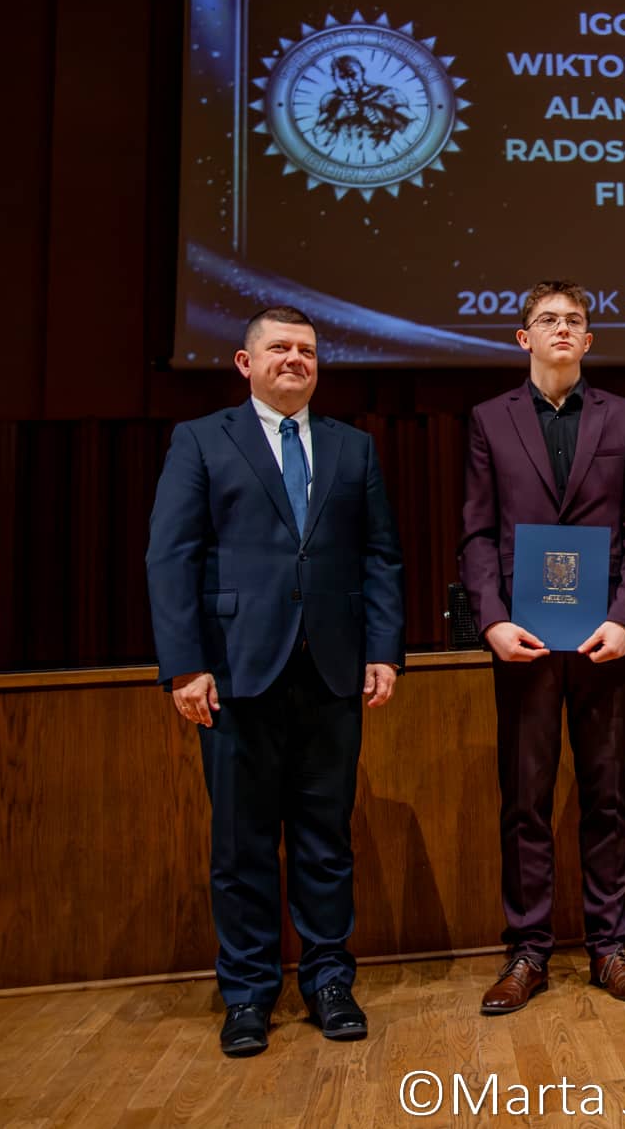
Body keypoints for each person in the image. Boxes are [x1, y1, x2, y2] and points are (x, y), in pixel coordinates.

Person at [146, 306, 405, 1057]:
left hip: (331, 671)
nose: (296, 359)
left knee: (326, 841)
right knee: (241, 845)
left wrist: (383, 648)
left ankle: (329, 981)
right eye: (281, 349)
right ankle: (250, 993)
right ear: (243, 361)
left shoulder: (354, 448)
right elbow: (171, 556)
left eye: (308, 351)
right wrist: (186, 664)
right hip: (233, 672)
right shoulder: (200, 440)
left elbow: (380, 557)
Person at [460, 280, 625, 1013]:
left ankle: (610, 946)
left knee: (606, 796)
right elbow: (478, 533)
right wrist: (490, 621)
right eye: (548, 320)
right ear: (523, 338)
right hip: (524, 639)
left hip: (604, 637)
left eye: (575, 320)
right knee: (526, 800)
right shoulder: (490, 419)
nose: (563, 329)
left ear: (588, 338)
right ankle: (529, 950)